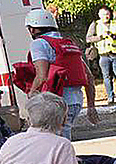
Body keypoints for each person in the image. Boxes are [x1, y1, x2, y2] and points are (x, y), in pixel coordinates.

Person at [23, 8, 97, 139]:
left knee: (55, 143)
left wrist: (31, 94)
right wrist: (91, 106)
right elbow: (89, 77)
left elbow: (42, 76)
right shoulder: (68, 44)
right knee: (61, 139)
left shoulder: (39, 43)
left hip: (56, 102)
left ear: (32, 29)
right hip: (76, 103)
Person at [85, 7, 116, 104]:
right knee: (106, 77)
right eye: (103, 14)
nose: (106, 16)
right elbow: (88, 39)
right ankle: (110, 97)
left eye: (107, 14)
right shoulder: (96, 24)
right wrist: (100, 37)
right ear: (99, 15)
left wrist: (114, 36)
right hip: (103, 55)